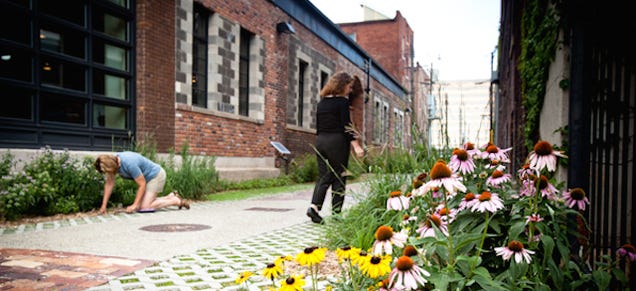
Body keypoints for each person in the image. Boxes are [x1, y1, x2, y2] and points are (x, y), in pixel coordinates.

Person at [307, 72, 365, 224]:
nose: (350, 90)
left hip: (320, 141)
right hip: (336, 142)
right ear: (342, 85)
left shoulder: (322, 103)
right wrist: (356, 145)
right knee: (339, 176)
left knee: (323, 175)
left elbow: (320, 126)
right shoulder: (342, 102)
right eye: (349, 86)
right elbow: (346, 126)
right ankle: (336, 214)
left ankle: (314, 207)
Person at [94, 151, 189, 214]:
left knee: (144, 207)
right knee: (139, 206)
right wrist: (103, 207)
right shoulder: (113, 162)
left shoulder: (129, 163)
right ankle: (170, 196)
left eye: (108, 171)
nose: (108, 174)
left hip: (156, 176)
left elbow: (142, 184)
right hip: (147, 179)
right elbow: (109, 183)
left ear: (112, 166)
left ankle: (175, 201)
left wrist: (134, 205)